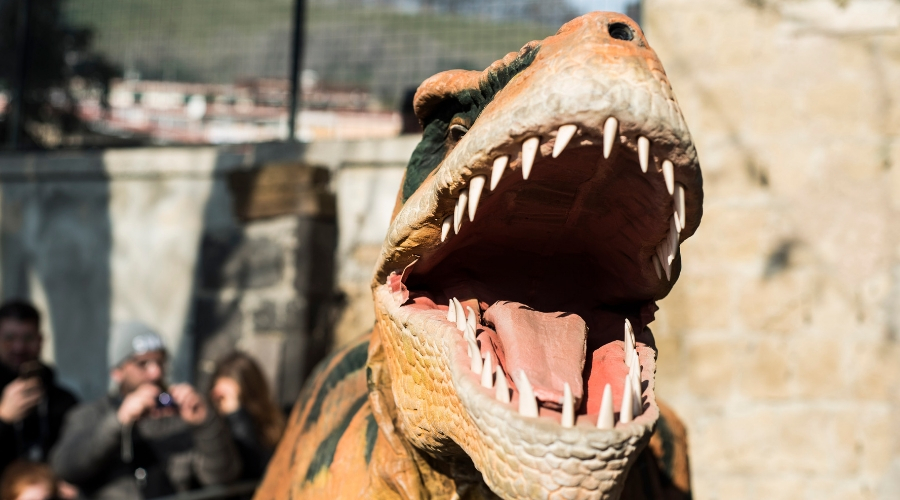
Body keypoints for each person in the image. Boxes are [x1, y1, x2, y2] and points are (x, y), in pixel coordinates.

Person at [50, 321, 241, 499]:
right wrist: (118, 422)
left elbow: (221, 477)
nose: (155, 372)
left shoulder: (180, 415)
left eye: (160, 362)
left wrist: (205, 423)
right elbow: (66, 469)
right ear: (117, 372)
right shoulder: (90, 414)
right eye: (142, 364)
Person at [0, 301, 78, 477]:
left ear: (40, 340)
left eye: (27, 338)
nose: (18, 347)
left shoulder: (63, 400)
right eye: (9, 338)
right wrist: (3, 418)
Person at [209, 352, 285, 480]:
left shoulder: (272, 428)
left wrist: (236, 415)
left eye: (238, 399)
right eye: (221, 398)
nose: (225, 407)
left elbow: (253, 468)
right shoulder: (209, 431)